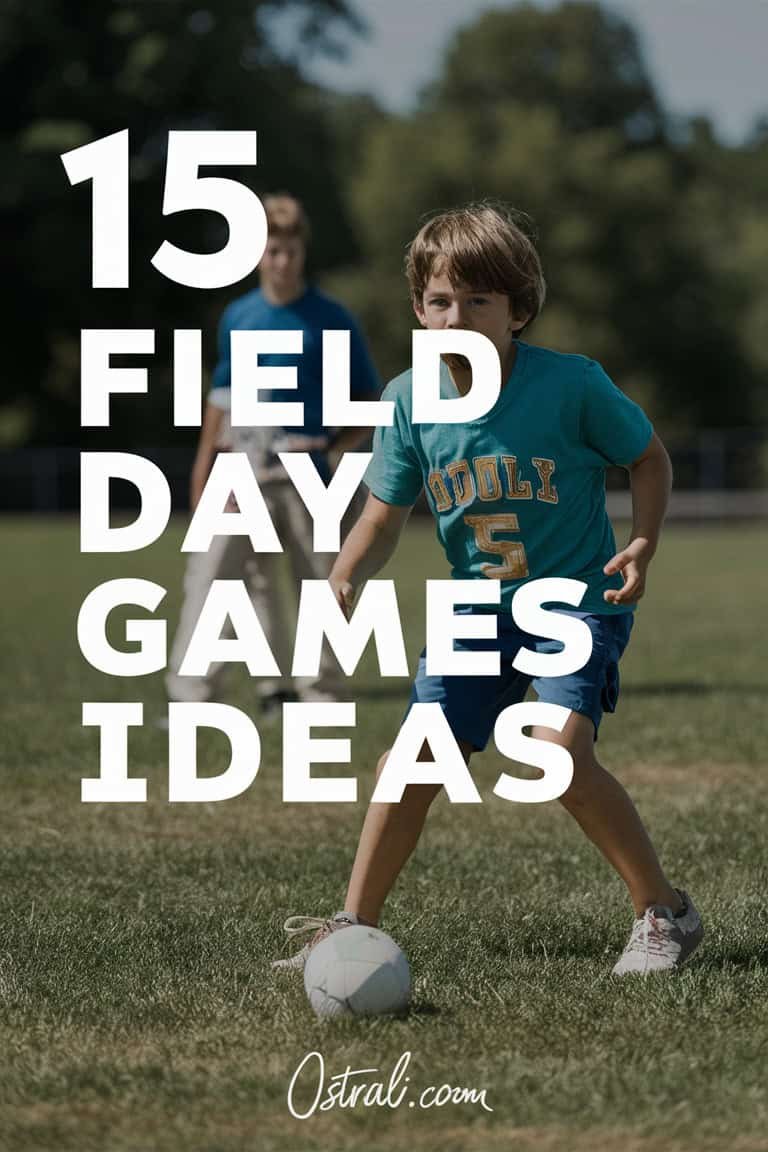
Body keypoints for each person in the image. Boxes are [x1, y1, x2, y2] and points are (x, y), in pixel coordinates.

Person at [272, 201, 703, 977]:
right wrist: (342, 575)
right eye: (440, 300)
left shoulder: (572, 386)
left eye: (478, 300)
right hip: (476, 610)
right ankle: (349, 926)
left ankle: (663, 913)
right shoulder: (408, 399)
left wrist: (642, 541)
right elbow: (382, 511)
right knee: (410, 764)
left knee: (557, 752)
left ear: (519, 310)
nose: (456, 316)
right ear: (417, 308)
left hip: (573, 600)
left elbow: (648, 458)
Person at [165, 194, 380, 718]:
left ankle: (321, 696)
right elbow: (220, 404)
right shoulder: (239, 316)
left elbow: (368, 405)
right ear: (257, 255)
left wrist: (328, 445)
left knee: (322, 588)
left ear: (302, 251)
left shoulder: (331, 318)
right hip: (241, 476)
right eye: (271, 251)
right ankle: (190, 700)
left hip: (311, 479)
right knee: (211, 580)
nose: (281, 261)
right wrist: (202, 479)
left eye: (289, 250)